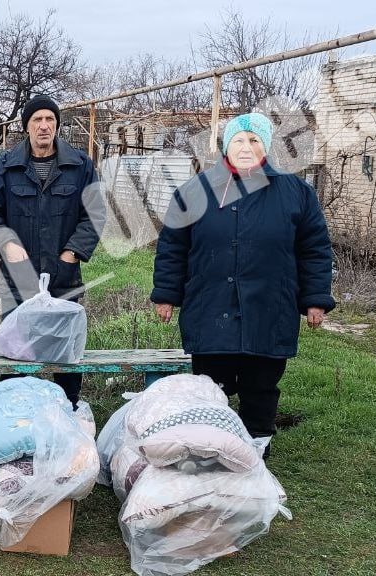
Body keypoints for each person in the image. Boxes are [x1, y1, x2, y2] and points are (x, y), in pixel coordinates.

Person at [151, 112, 335, 458]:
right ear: (226, 146)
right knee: (211, 383)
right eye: (238, 140)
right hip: (210, 304)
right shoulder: (196, 191)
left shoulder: (296, 192)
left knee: (261, 383)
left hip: (270, 304)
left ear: (267, 146)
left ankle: (255, 449)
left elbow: (314, 248)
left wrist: (315, 299)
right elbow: (173, 246)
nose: (246, 147)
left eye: (254, 140)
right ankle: (210, 447)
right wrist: (166, 294)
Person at [0, 94, 103, 409]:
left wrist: (72, 253)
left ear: (57, 125)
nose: (44, 126)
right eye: (37, 120)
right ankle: (15, 413)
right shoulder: (6, 166)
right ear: (26, 126)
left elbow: (95, 215)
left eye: (50, 119)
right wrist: (6, 243)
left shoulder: (81, 166)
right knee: (16, 354)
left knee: (65, 355)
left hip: (64, 276)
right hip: (19, 277)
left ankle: (69, 411)